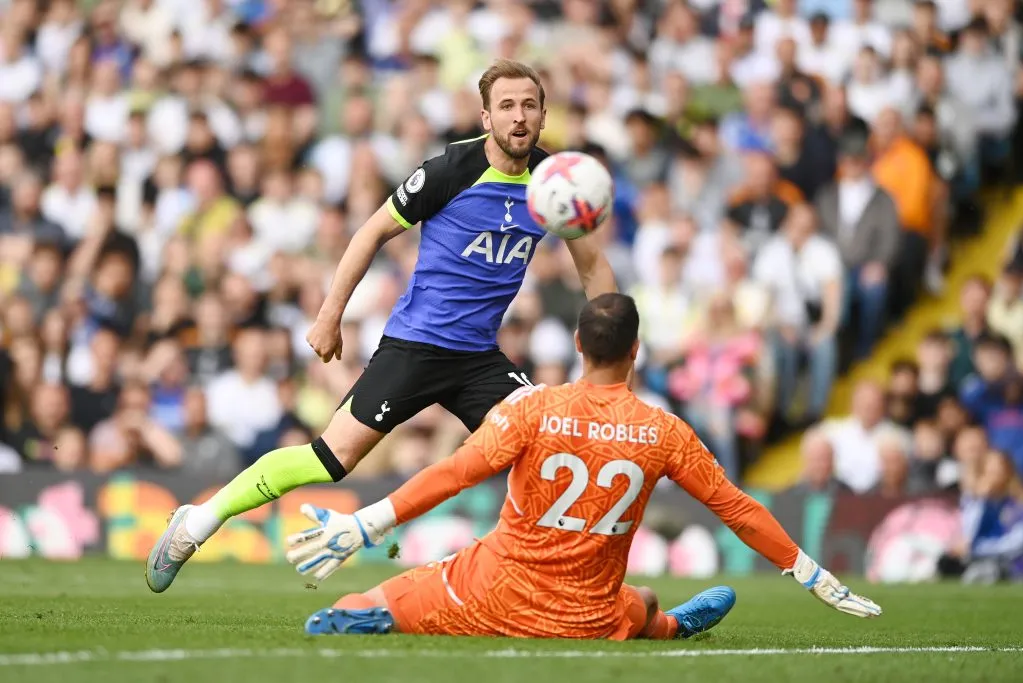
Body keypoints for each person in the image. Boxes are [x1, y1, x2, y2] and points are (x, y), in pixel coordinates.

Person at [145, 59, 617, 593]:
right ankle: (199, 521)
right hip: (415, 346)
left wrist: (618, 360)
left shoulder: (553, 185)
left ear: (543, 115)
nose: (518, 117)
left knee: (550, 449)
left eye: (529, 105)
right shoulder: (447, 172)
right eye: (506, 106)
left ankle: (559, 588)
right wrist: (329, 316)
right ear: (486, 117)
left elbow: (592, 266)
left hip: (479, 358)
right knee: (330, 459)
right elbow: (370, 233)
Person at [285, 294, 881, 639]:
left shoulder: (532, 408)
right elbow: (738, 508)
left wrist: (367, 524)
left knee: (364, 602)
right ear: (636, 351)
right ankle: (671, 627)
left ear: (576, 343)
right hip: (585, 616)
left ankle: (364, 619)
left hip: (488, 593)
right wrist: (809, 571)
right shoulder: (663, 431)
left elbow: (456, 473)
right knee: (642, 600)